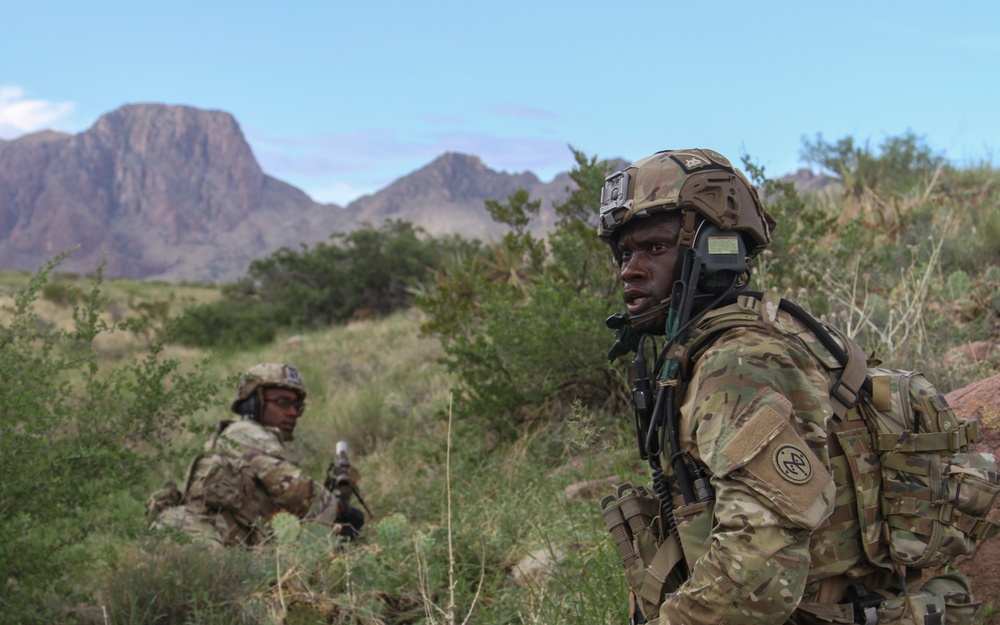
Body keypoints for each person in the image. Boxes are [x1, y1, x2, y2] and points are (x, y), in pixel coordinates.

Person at [598, 149, 978, 625]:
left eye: (655, 248)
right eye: (624, 253)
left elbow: (757, 572)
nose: (629, 271)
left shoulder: (740, 361)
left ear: (716, 247)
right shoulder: (756, 333)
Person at [148, 363, 364, 547]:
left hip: (203, 537)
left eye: (297, 406)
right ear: (253, 402)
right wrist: (341, 508)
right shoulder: (245, 433)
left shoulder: (242, 438)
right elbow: (295, 489)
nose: (292, 412)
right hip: (200, 537)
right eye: (282, 402)